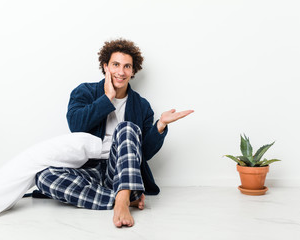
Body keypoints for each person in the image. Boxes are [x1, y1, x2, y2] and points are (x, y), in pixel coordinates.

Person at [35, 38, 193, 228]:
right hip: (89, 170)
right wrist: (107, 98)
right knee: (43, 177)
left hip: (121, 170)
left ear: (133, 71)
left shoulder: (142, 106)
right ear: (106, 66)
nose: (121, 71)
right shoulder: (84, 92)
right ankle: (124, 198)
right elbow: (76, 126)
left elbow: (144, 154)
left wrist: (159, 125)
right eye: (116, 65)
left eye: (127, 66)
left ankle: (121, 199)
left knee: (126, 128)